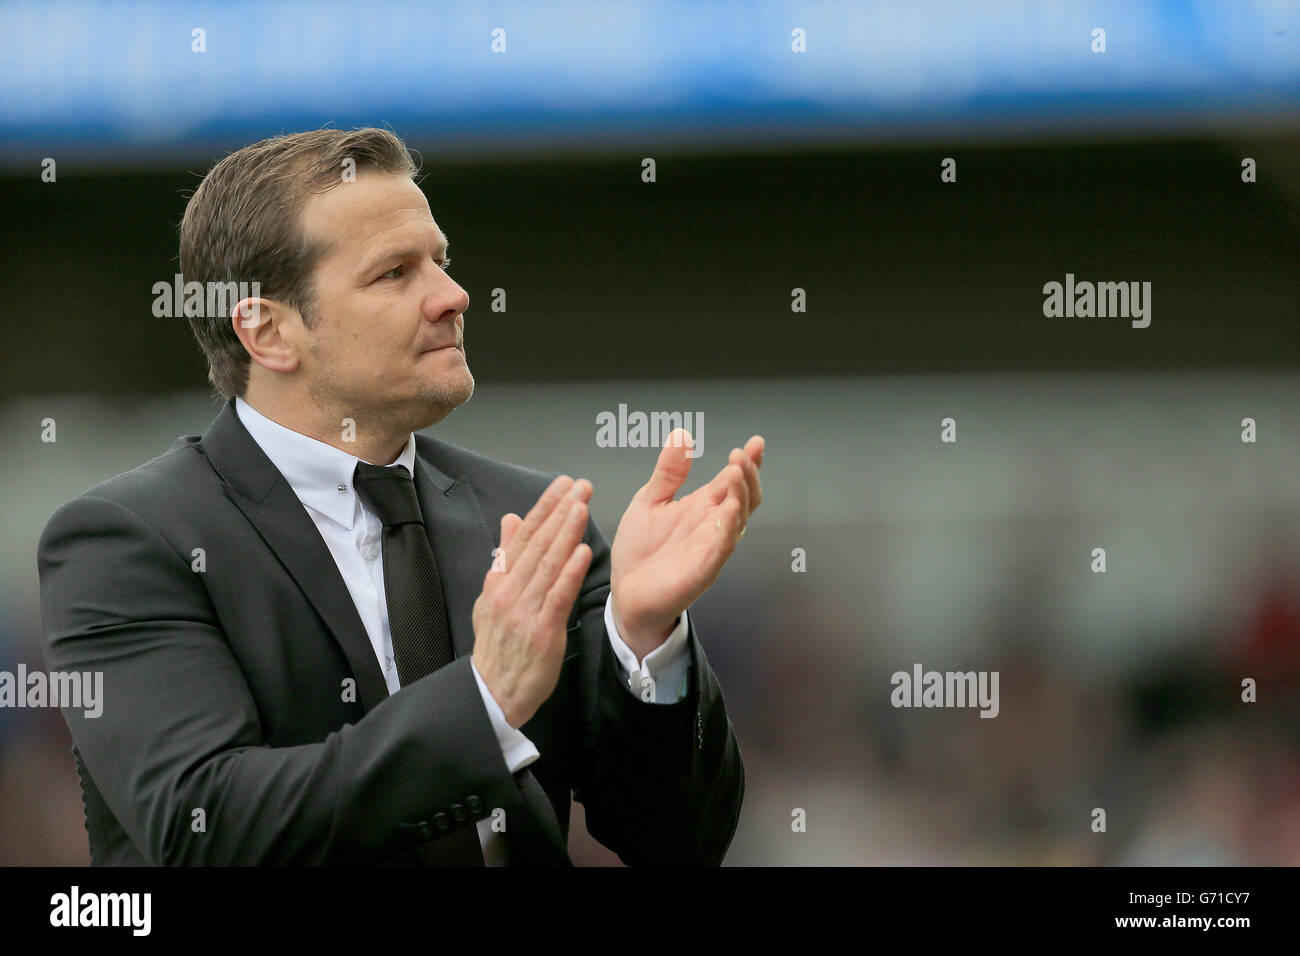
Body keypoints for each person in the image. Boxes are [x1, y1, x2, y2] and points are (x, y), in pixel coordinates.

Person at [36, 128, 763, 866]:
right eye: (394, 273)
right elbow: (209, 827)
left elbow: (679, 840)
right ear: (268, 332)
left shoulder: (531, 518)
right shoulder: (127, 541)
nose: (453, 296)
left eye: (440, 262)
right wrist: (483, 704)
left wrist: (643, 635)